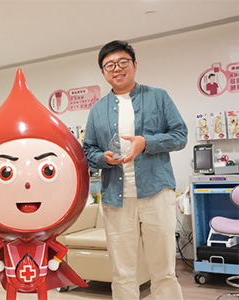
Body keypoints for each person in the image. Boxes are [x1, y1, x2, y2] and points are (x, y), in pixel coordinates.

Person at [83, 40, 187, 300]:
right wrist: (103, 158)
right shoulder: (97, 110)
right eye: (109, 65)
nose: (116, 69)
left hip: (156, 192)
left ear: (134, 64)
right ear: (103, 72)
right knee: (122, 272)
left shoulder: (158, 96)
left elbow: (180, 135)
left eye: (122, 62)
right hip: (116, 199)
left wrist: (147, 142)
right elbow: (88, 150)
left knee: (163, 270)